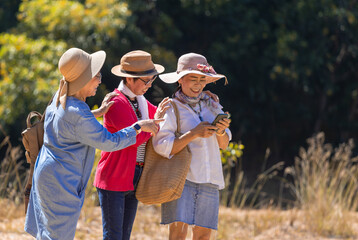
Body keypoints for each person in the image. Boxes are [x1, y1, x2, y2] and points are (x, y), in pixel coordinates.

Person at [24, 48, 161, 240]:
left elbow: (69, 124)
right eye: (96, 76)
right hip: (61, 181)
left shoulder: (61, 97)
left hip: (49, 174)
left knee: (49, 234)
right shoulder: (78, 112)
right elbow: (109, 141)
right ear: (83, 80)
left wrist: (96, 113)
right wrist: (138, 127)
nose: (99, 81)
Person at [152, 53, 232, 240]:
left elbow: (225, 144)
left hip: (209, 178)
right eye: (193, 79)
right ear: (180, 80)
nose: (198, 84)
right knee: (178, 234)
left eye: (202, 79)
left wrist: (220, 131)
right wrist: (194, 134)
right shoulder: (171, 108)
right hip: (181, 179)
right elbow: (161, 147)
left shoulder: (212, 106)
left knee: (204, 235)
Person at [93, 50, 171, 240]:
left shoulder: (139, 102)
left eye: (152, 80)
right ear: (129, 79)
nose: (149, 85)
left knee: (124, 236)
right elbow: (133, 139)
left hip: (133, 175)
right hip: (114, 175)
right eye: (146, 81)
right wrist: (152, 124)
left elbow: (159, 119)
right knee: (113, 236)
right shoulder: (115, 101)